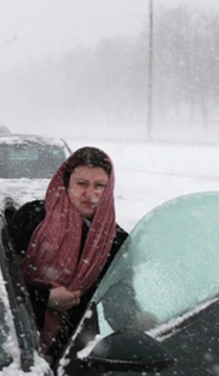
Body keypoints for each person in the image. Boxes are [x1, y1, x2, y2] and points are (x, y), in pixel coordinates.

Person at [7, 146, 128, 360]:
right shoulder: (32, 218)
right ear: (66, 183)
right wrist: (44, 297)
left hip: (76, 351)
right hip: (19, 341)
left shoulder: (116, 240)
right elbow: (4, 281)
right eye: (81, 184)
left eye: (100, 186)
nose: (90, 194)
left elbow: (119, 298)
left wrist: (137, 317)